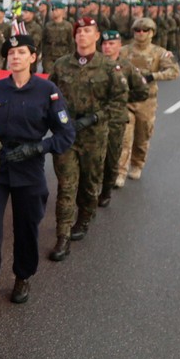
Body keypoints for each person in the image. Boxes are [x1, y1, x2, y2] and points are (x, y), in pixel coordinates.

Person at [0, 35, 75, 333]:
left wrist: (39, 148)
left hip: (29, 169)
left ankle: (23, 276)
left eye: (20, 52)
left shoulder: (47, 91)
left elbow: (66, 134)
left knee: (26, 230)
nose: (14, 57)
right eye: (10, 52)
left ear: (32, 57)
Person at [46, 17, 129, 260]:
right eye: (79, 31)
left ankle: (84, 218)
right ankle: (62, 236)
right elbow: (49, 96)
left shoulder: (108, 67)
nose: (82, 35)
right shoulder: (62, 65)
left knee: (90, 185)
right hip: (66, 135)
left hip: (94, 135)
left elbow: (119, 100)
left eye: (88, 31)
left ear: (97, 36)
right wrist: (55, 120)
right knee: (66, 186)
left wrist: (94, 118)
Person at [117, 17, 180, 184]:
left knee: (142, 136)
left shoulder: (160, 53)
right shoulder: (123, 51)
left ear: (152, 33)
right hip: (127, 100)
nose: (141, 34)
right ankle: (121, 171)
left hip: (147, 101)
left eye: (145, 30)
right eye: (137, 30)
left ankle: (137, 164)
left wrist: (153, 75)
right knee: (124, 137)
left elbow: (174, 71)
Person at [97, 29, 149, 208]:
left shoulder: (127, 67)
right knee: (94, 155)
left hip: (116, 119)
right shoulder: (95, 65)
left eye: (111, 44)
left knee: (113, 155)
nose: (107, 47)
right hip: (95, 119)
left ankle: (107, 188)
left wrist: (124, 101)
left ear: (119, 45)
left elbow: (142, 90)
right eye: (104, 44)